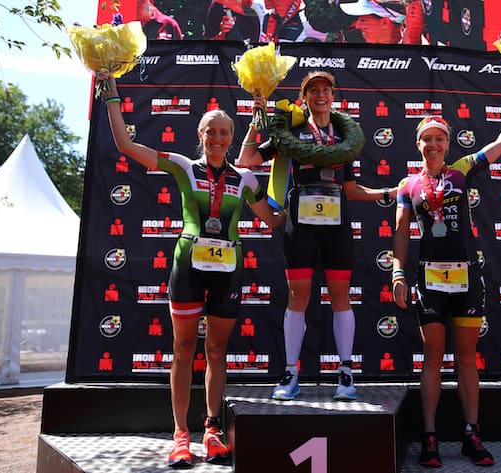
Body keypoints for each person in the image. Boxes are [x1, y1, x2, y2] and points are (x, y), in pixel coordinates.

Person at [96, 71, 285, 468]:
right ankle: (180, 433)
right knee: (183, 351)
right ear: (200, 134)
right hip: (187, 266)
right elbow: (126, 145)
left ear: (233, 138)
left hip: (228, 271)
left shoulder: (246, 178)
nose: (217, 138)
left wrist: (305, 189)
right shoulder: (183, 167)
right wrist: (112, 96)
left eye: (224, 133)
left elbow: (272, 221)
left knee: (217, 351)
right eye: (210, 132)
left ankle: (212, 427)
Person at [391, 82, 501, 468]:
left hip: (466, 278)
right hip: (429, 280)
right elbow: (400, 234)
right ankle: (429, 437)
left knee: (466, 358)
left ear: (448, 143)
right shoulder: (408, 185)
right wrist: (397, 273)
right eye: (427, 139)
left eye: (439, 138)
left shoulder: (461, 170)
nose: (434, 145)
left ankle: (471, 433)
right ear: (418, 145)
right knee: (432, 357)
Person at [238, 70, 396, 401]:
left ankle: (346, 375)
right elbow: (246, 160)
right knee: (298, 296)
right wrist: (257, 118)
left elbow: (351, 189)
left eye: (326, 90)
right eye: (314, 91)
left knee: (341, 296)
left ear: (334, 96)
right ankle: (291, 373)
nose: (321, 95)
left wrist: (383, 192)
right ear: (305, 97)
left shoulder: (344, 135)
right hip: (301, 221)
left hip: (337, 221)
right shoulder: (290, 131)